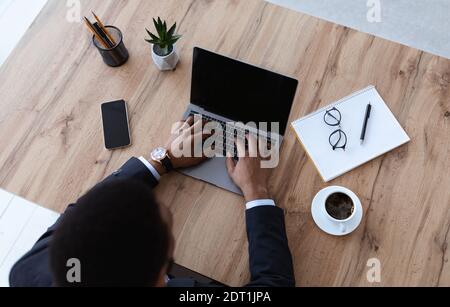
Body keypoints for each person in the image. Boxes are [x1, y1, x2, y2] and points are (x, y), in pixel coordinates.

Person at [9, 117, 295, 287]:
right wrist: (257, 190)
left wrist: (163, 158)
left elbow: (85, 210)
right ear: (161, 274)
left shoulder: (27, 272)